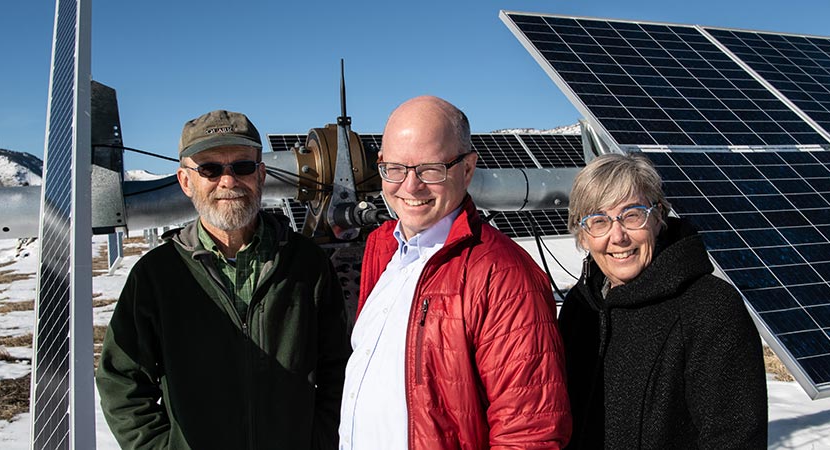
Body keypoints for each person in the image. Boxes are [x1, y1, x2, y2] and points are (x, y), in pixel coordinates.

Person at [97, 109, 351, 449]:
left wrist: (319, 440)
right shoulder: (158, 274)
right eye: (210, 169)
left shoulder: (306, 263)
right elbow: (121, 381)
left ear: (261, 175)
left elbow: (338, 369)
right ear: (186, 181)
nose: (228, 181)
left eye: (242, 166)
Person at [339, 96, 572, 449]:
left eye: (430, 169)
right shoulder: (382, 249)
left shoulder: (503, 275)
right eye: (396, 169)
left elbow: (531, 433)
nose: (410, 186)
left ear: (466, 169)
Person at [559, 153, 768, 449]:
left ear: (658, 218)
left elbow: (735, 439)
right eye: (599, 221)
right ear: (583, 234)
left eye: (632, 215)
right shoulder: (580, 309)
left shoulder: (710, 308)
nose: (617, 236)